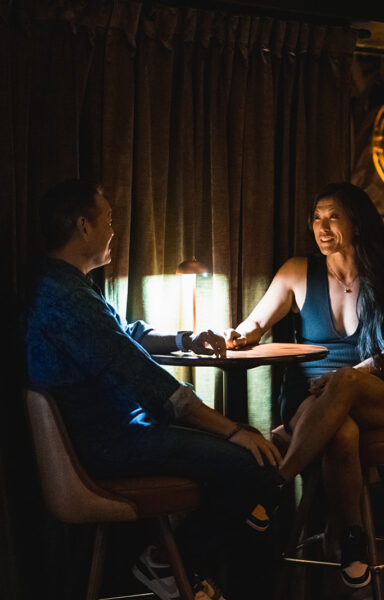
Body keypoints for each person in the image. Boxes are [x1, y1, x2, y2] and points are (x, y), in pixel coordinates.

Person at [25, 179, 283, 600]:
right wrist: (233, 431)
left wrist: (186, 338)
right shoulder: (67, 299)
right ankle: (167, 564)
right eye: (108, 219)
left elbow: (127, 336)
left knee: (249, 464)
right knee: (251, 464)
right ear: (83, 226)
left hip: (108, 435)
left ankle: (187, 565)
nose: (113, 230)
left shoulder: (64, 286)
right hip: (106, 445)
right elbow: (155, 388)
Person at [225, 182, 384, 588]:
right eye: (316, 219)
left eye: (333, 217)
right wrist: (235, 336)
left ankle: (277, 483)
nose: (322, 228)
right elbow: (256, 324)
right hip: (307, 396)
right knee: (342, 433)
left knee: (345, 382)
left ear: (356, 223)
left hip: (370, 391)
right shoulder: (297, 270)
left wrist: (345, 378)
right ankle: (353, 540)